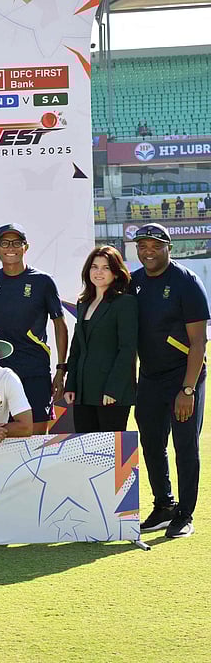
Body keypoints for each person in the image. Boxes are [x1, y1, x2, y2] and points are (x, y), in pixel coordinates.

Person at [130, 224, 208, 538]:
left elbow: (199, 342)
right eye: (142, 245)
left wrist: (188, 389)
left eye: (155, 245)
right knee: (150, 443)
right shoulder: (133, 282)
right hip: (149, 377)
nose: (148, 251)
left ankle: (184, 515)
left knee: (185, 447)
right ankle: (164, 505)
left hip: (183, 378)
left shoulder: (187, 282)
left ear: (168, 247)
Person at [0, 224, 69, 435]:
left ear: (25, 247)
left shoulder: (43, 281)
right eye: (5, 243)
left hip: (35, 368)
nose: (10, 248)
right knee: (1, 433)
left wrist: (61, 369)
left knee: (37, 433)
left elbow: (60, 324)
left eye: (16, 243)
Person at [63, 246, 137, 434]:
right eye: (94, 266)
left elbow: (127, 349)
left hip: (111, 393)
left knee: (111, 455)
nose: (99, 272)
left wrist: (113, 389)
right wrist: (71, 383)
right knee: (88, 455)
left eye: (106, 267)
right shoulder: (83, 303)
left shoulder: (125, 303)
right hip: (82, 391)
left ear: (116, 272)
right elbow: (77, 347)